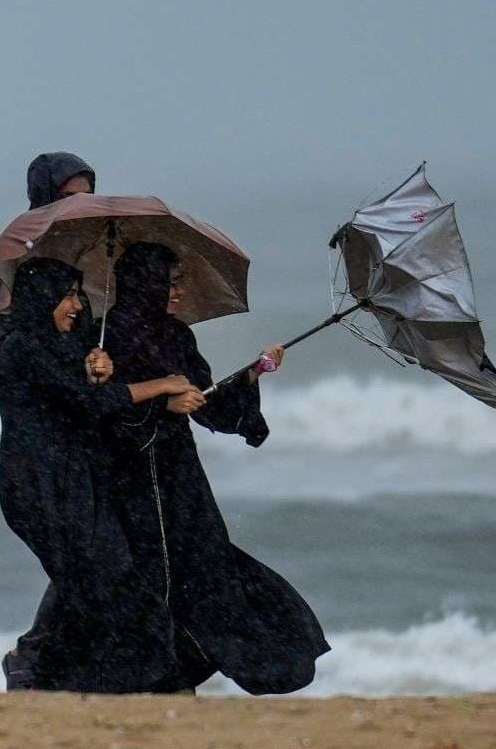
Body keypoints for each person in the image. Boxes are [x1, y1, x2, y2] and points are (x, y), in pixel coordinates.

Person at [102, 242, 330, 695]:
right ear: (144, 284)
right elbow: (99, 411)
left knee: (207, 567)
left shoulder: (176, 336)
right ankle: (152, 676)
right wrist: (161, 407)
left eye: (178, 283)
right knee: (147, 574)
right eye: (171, 283)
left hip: (178, 475)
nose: (179, 293)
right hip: (127, 476)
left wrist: (254, 373)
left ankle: (186, 674)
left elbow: (208, 405)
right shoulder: (103, 338)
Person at [0, 257, 200, 692]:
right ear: (41, 298)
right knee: (100, 575)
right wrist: (162, 386)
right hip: (38, 485)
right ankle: (55, 668)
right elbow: (85, 404)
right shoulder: (22, 348)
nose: (75, 305)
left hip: (74, 481)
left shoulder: (61, 347)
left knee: (94, 577)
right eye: (65, 295)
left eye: (77, 294)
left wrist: (97, 370)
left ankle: (43, 672)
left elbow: (84, 396)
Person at [0, 152, 98, 396]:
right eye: (68, 197)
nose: (79, 205)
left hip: (85, 377)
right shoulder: (20, 245)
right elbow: (12, 322)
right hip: (37, 386)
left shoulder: (95, 243)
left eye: (87, 197)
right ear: (46, 195)